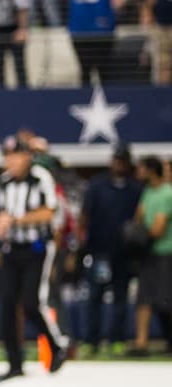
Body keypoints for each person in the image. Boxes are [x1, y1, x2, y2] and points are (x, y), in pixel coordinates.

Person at [0, 135, 69, 378]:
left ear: (27, 156)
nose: (10, 161)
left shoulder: (40, 178)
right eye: (7, 156)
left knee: (31, 302)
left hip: (37, 248)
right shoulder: (3, 182)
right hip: (12, 249)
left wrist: (14, 219)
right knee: (6, 304)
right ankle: (14, 362)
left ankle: (57, 345)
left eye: (15, 155)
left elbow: (48, 212)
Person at [80, 146, 142, 356]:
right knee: (94, 297)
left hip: (124, 254)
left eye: (123, 161)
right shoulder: (97, 186)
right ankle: (92, 340)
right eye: (116, 160)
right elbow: (85, 215)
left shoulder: (135, 189)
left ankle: (117, 339)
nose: (119, 164)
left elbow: (139, 220)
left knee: (120, 299)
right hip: (99, 251)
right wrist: (82, 245)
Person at [132, 156, 172, 355]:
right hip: (148, 253)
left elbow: (158, 228)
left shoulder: (167, 193)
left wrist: (138, 234)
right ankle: (141, 343)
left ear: (151, 170)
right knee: (144, 299)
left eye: (141, 168)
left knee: (167, 301)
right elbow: (138, 218)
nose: (138, 172)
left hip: (166, 253)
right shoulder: (147, 192)